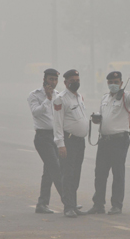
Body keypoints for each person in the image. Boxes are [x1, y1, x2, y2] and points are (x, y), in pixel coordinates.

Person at [88, 71, 130, 215]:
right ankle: (98, 204)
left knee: (117, 173)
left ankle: (117, 205)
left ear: (121, 83)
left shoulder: (126, 97)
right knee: (100, 173)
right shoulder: (105, 98)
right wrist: (96, 120)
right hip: (104, 140)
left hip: (119, 140)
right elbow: (103, 116)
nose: (113, 84)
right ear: (107, 83)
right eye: (111, 82)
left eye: (116, 82)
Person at [27, 68, 65, 214]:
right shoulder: (34, 95)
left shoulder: (58, 95)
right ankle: (68, 200)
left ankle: (42, 204)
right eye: (50, 79)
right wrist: (48, 99)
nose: (53, 83)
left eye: (55, 80)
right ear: (44, 79)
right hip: (43, 137)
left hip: (56, 136)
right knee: (55, 168)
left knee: (49, 171)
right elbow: (36, 112)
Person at [53, 69, 89, 218]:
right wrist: (61, 144)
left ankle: (74, 205)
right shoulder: (60, 99)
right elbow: (57, 123)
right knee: (68, 174)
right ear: (65, 82)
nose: (75, 82)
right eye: (72, 80)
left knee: (76, 174)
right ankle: (68, 207)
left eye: (77, 80)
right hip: (68, 141)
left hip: (79, 141)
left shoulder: (79, 96)